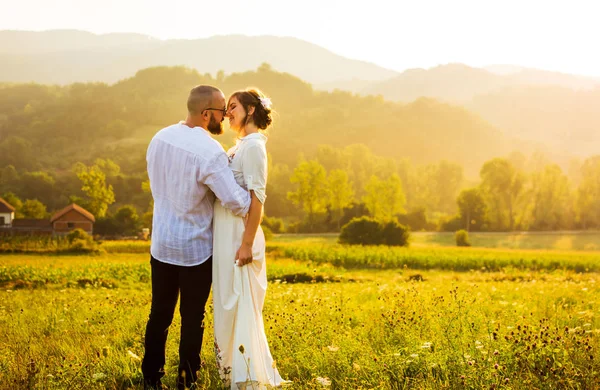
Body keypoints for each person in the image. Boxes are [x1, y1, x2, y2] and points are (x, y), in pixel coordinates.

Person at [142, 85, 252, 390]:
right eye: (221, 112)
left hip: (162, 243)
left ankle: (151, 377)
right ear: (206, 114)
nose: (225, 116)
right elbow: (235, 201)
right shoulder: (209, 151)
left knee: (159, 314)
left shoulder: (159, 138)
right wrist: (256, 195)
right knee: (193, 318)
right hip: (195, 250)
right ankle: (186, 380)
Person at [212, 88, 287, 389]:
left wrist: (246, 243)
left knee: (239, 303)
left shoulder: (254, 147)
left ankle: (245, 376)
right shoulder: (240, 146)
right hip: (226, 236)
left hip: (240, 237)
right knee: (227, 303)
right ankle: (230, 370)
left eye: (233, 107)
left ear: (251, 110)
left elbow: (258, 199)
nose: (228, 113)